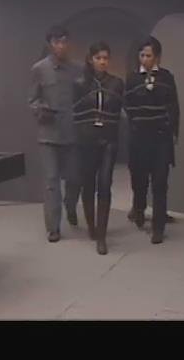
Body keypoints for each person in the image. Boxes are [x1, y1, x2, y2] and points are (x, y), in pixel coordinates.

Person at [28, 25, 82, 243]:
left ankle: (71, 206)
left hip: (72, 133)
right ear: (50, 44)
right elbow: (32, 99)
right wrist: (40, 109)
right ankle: (53, 227)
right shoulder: (39, 69)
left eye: (64, 41)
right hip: (48, 134)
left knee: (74, 179)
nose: (61, 46)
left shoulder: (77, 70)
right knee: (51, 181)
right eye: (57, 42)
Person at [124, 36, 180, 244]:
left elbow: (174, 107)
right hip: (139, 138)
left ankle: (158, 227)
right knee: (139, 181)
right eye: (142, 55)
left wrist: (172, 131)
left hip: (160, 138)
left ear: (157, 57)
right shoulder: (132, 79)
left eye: (148, 55)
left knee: (160, 182)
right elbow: (127, 106)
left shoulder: (166, 77)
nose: (145, 59)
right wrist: (136, 123)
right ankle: (138, 210)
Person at [72, 42, 124, 255]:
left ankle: (101, 236)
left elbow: (120, 111)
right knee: (88, 184)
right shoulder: (80, 83)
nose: (102, 62)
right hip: (86, 141)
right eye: (98, 58)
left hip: (108, 141)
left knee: (104, 183)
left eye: (105, 58)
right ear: (90, 59)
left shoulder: (117, 83)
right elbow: (74, 114)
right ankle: (92, 227)